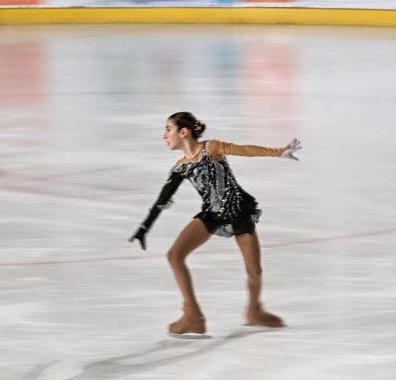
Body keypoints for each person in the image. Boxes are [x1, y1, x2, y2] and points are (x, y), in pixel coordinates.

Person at [129, 112, 301, 338]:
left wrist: (278, 152)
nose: (164, 135)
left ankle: (254, 310)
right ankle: (192, 315)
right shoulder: (180, 167)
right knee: (174, 255)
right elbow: (161, 200)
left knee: (255, 271)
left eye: (168, 129)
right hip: (211, 214)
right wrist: (144, 228)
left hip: (239, 211)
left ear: (184, 132)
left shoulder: (211, 148)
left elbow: (245, 150)